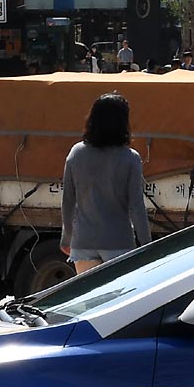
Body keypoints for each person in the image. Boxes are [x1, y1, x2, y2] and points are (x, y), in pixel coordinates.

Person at [61, 93, 151, 274]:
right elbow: (136, 206)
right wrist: (147, 244)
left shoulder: (76, 153)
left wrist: (67, 237)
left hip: (83, 242)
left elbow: (68, 201)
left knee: (89, 300)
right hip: (118, 242)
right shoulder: (130, 158)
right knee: (118, 299)